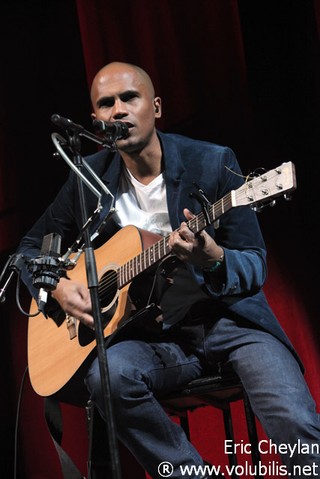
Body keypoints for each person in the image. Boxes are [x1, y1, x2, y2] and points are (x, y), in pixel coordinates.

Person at [17, 61, 320, 478]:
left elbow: (254, 264)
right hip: (153, 336)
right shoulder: (86, 180)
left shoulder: (212, 162)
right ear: (95, 121)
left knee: (297, 425)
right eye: (107, 104)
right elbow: (30, 249)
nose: (119, 110)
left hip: (230, 323)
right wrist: (58, 291)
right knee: (110, 378)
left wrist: (212, 258)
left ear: (155, 107)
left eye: (130, 98)